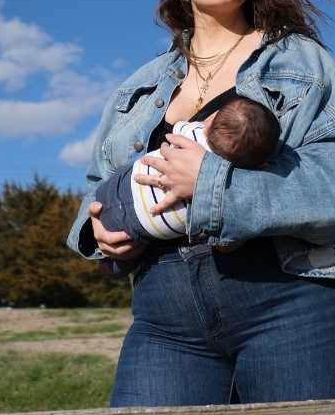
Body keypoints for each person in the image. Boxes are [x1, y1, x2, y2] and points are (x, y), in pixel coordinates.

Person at [67, 0, 335, 415]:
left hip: (291, 299)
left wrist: (212, 183)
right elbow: (103, 180)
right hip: (167, 314)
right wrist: (100, 231)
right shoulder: (139, 88)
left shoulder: (300, 63)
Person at [94, 95, 280, 278]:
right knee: (124, 259)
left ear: (209, 124)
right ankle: (116, 267)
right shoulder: (229, 185)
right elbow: (224, 245)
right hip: (139, 227)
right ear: (260, 166)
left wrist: (202, 126)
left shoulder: (194, 134)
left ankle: (108, 265)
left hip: (122, 185)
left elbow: (178, 127)